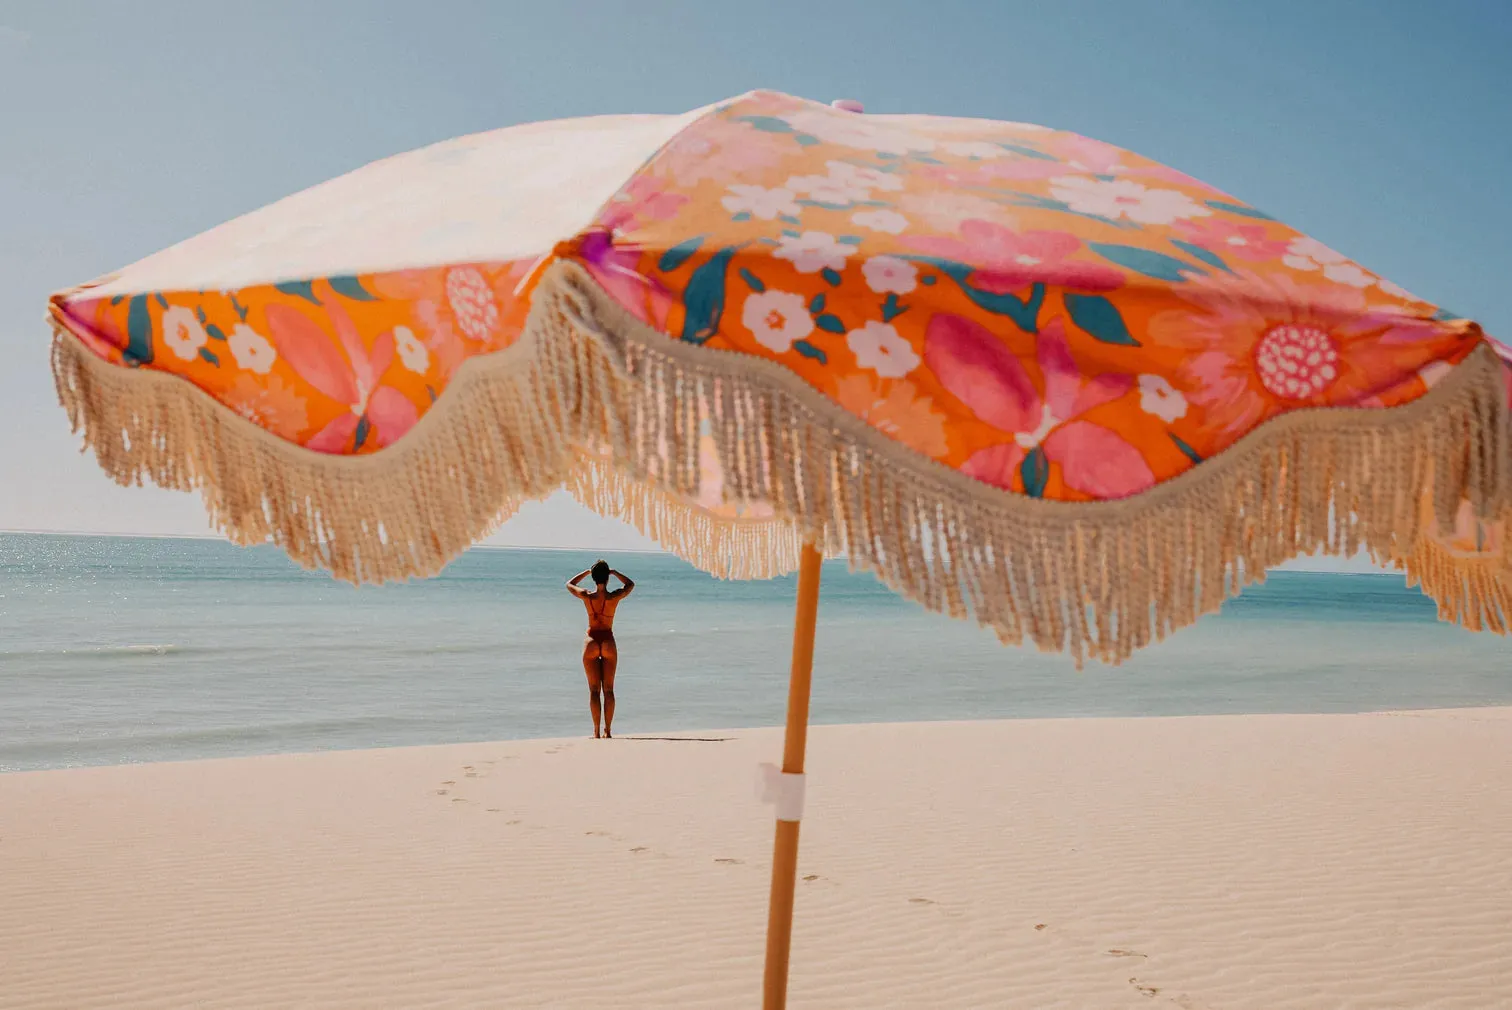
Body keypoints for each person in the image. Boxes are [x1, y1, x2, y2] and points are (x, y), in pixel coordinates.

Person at [566, 560, 634, 739]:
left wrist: (587, 572)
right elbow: (630, 584)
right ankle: (608, 731)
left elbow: (569, 584)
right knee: (609, 689)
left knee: (594, 690)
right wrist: (615, 572)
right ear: (608, 578)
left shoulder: (587, 596)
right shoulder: (613, 597)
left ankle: (596, 731)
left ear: (595, 578)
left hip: (591, 640)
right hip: (608, 640)